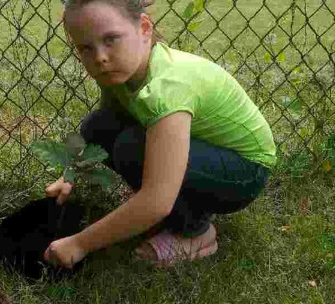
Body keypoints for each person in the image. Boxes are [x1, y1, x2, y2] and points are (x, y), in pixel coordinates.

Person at [43, 0, 276, 269]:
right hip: (206, 151)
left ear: (144, 28)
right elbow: (104, 126)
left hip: (246, 171)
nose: (100, 57)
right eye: (86, 48)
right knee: (99, 125)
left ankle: (197, 234)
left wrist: (79, 244)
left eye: (111, 39)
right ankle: (180, 204)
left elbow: (157, 202)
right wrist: (70, 173)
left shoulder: (167, 89)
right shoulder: (121, 69)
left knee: (132, 149)